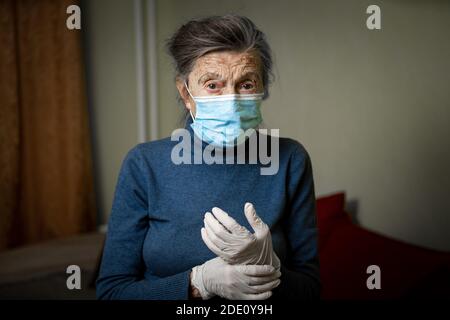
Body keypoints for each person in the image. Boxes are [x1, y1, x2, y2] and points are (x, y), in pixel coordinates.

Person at [96, 14, 320, 300]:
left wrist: (269, 268)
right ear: (186, 93)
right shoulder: (144, 165)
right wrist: (196, 283)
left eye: (247, 84)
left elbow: (311, 291)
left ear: (262, 89)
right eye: (213, 85)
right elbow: (111, 293)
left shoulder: (290, 160)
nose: (232, 100)